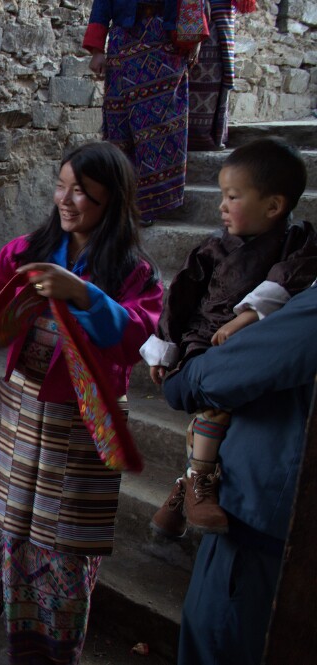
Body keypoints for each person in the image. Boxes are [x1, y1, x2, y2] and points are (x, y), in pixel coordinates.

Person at [0, 142, 162, 664]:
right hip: (24, 411)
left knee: (66, 541)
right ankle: (19, 627)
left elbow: (135, 335)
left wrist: (83, 295)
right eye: (62, 185)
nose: (67, 199)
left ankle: (58, 645)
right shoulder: (28, 249)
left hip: (82, 422)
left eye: (83, 192)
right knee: (16, 524)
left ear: (112, 201)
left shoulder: (134, 272)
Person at [142, 138, 316, 537]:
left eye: (232, 196)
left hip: (257, 345)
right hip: (206, 342)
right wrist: (163, 351)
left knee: (243, 431)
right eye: (221, 195)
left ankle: (184, 488)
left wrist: (248, 317)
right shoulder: (213, 249)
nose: (221, 205)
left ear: (273, 206)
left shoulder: (298, 244)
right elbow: (178, 298)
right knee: (217, 408)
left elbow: (288, 280)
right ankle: (198, 485)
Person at [163, 284, 317, 665]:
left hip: (264, 522)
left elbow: (240, 368)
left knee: (219, 643)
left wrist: (185, 379)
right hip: (278, 519)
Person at [84, 0, 191, 224]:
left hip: (164, 42)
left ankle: (151, 203)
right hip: (123, 42)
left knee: (158, 122)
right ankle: (121, 201)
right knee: (118, 121)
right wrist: (96, 49)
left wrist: (194, 37)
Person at [187, 2, 257, 151]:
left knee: (212, 73)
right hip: (196, 14)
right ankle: (198, 136)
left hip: (216, 16)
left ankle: (206, 136)